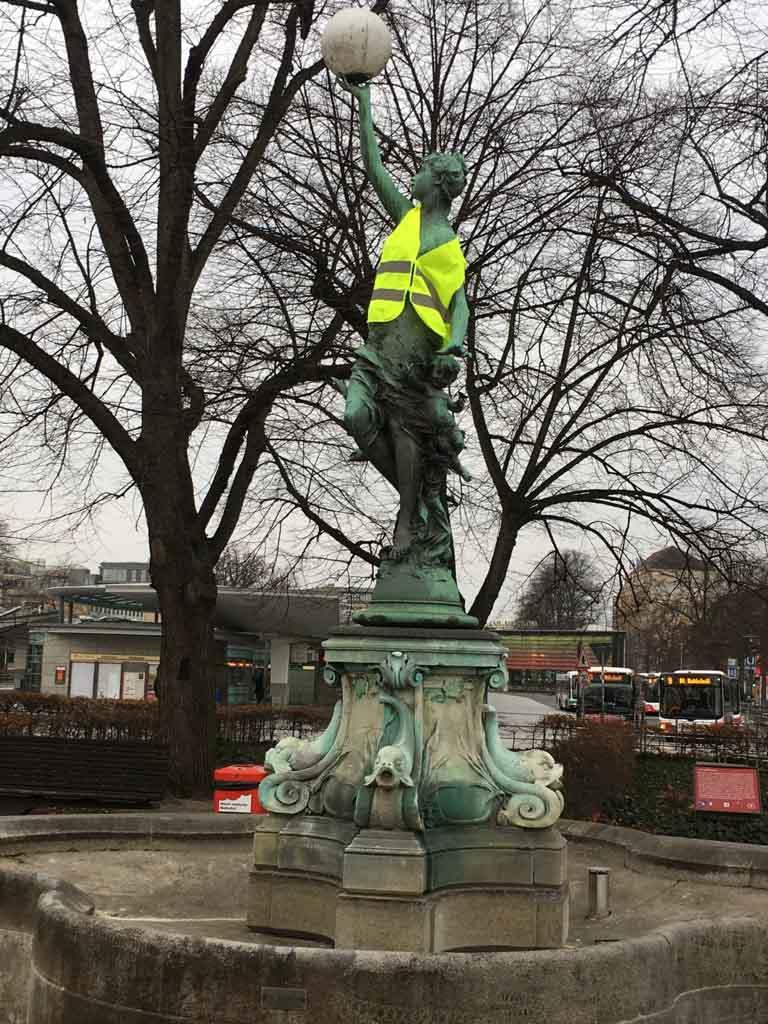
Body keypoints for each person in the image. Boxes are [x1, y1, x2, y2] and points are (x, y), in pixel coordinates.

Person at [338, 76, 470, 566]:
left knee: (410, 445)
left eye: (418, 172)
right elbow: (373, 168)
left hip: (415, 363)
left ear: (435, 182)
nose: (409, 179)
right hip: (377, 351)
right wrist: (365, 106)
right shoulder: (405, 219)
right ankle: (417, 504)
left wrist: (451, 347)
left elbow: (459, 306)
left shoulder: (450, 245)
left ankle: (409, 515)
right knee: (354, 415)